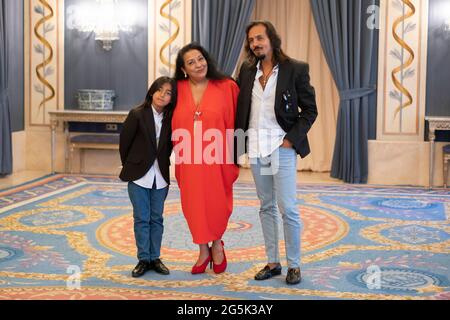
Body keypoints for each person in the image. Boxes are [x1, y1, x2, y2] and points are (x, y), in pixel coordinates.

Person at [235, 21, 318, 285]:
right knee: (266, 206)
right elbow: (239, 107)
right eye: (251, 40)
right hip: (256, 148)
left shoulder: (295, 69)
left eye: (260, 38)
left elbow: (310, 110)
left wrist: (290, 140)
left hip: (281, 147)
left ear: (272, 38)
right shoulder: (247, 71)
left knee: (288, 208)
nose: (255, 43)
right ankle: (273, 262)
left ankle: (294, 265)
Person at [172, 43, 239, 274]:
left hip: (218, 158)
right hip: (188, 160)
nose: (198, 64)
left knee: (217, 204)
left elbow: (239, 120)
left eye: (200, 59)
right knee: (193, 206)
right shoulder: (175, 89)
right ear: (183, 69)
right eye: (191, 62)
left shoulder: (227, 86)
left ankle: (217, 244)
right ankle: (203, 250)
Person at [119, 76, 176, 278]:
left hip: (160, 176)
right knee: (141, 219)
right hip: (138, 176)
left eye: (168, 92)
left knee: (156, 219)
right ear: (152, 91)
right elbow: (124, 144)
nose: (163, 95)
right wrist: (132, 165)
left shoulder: (172, 118)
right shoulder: (137, 114)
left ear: (172, 98)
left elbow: (171, 145)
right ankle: (144, 259)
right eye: (160, 90)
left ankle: (155, 258)